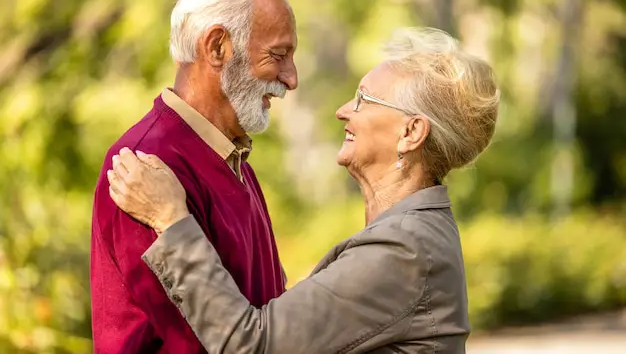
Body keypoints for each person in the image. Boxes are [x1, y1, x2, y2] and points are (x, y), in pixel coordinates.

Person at [107, 27, 500, 354]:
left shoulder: (406, 251)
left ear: (411, 132)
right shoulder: (411, 238)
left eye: (364, 99)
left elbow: (253, 346)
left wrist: (171, 220)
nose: (344, 110)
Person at [90, 0, 298, 353]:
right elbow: (196, 342)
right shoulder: (146, 167)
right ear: (217, 47)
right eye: (278, 55)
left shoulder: (233, 158)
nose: (291, 77)